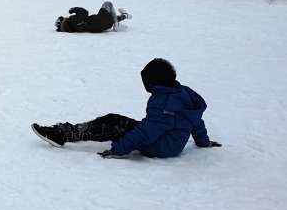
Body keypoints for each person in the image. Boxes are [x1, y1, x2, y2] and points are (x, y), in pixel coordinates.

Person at [31, 58, 221, 159]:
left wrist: (118, 150)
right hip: (169, 139)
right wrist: (203, 142)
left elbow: (147, 133)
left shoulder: (164, 104)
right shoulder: (181, 93)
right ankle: (69, 131)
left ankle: (63, 134)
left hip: (161, 146)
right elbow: (196, 120)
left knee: (112, 123)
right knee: (117, 122)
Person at [54, 1, 131, 33]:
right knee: (108, 4)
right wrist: (75, 9)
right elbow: (85, 13)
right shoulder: (71, 21)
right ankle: (117, 24)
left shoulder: (70, 29)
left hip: (98, 28)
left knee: (110, 18)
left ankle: (125, 15)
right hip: (97, 21)